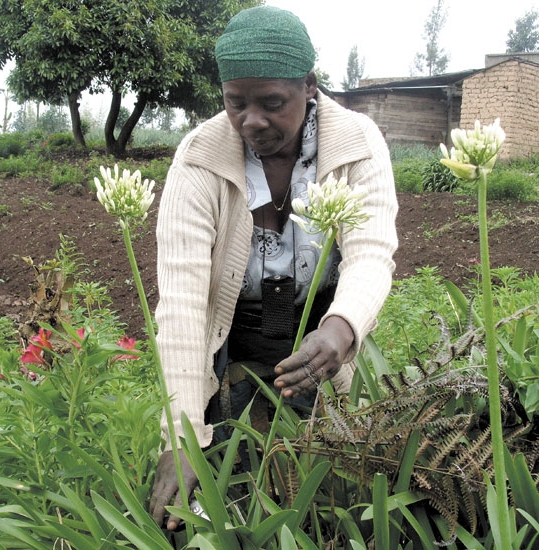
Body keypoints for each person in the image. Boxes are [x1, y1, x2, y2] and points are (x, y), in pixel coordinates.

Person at [149, 5, 398, 530]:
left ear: (309, 86)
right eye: (235, 103)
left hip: (322, 339)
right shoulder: (199, 159)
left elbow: (372, 250)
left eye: (272, 103)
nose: (251, 121)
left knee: (333, 486)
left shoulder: (356, 143)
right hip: (232, 338)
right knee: (226, 486)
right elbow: (183, 304)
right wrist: (182, 436)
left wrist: (341, 327)